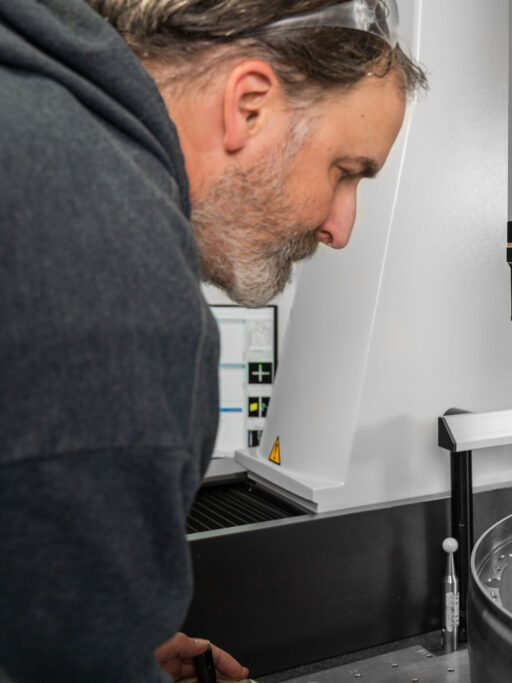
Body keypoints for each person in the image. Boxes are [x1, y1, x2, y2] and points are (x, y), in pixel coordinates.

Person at [0, 0, 426, 680]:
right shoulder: (123, 295)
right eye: (345, 171)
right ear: (248, 104)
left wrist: (111, 641)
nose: (341, 227)